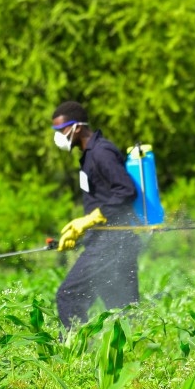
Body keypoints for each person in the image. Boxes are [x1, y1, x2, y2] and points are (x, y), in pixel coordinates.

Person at [51, 101, 142, 330]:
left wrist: (90, 220)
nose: (58, 136)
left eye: (61, 130)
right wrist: (83, 231)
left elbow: (126, 191)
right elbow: (104, 197)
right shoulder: (89, 154)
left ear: (77, 127)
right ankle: (135, 355)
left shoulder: (101, 152)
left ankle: (76, 355)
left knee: (69, 295)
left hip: (111, 243)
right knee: (123, 312)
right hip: (113, 242)